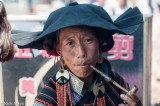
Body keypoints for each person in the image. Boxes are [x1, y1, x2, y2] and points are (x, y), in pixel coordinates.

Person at [11, 2, 143, 106]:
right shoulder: (48, 100)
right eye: (70, 43)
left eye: (88, 40)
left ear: (100, 43)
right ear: (59, 50)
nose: (81, 53)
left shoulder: (116, 83)